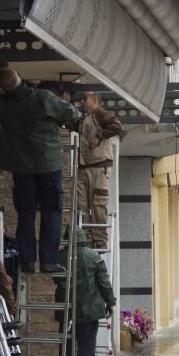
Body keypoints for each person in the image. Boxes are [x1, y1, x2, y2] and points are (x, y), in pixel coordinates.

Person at [0, 64, 80, 273]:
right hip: (48, 164)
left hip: (21, 167)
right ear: (20, 77)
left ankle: (27, 261)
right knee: (52, 211)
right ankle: (48, 261)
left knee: (25, 213)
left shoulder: (3, 104)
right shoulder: (42, 98)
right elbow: (71, 114)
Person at [54, 226, 115, 356]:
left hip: (67, 311)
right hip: (89, 313)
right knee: (86, 351)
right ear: (83, 238)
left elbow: (55, 279)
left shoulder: (60, 258)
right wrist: (110, 303)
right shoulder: (94, 256)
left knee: (66, 350)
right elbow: (104, 283)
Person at [69, 92, 122, 250]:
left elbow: (117, 126)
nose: (81, 101)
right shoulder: (83, 119)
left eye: (84, 99)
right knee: (82, 205)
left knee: (98, 203)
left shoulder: (101, 114)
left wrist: (99, 136)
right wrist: (60, 124)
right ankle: (86, 239)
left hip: (99, 166)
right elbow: (69, 126)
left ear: (94, 101)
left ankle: (99, 240)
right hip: (83, 167)